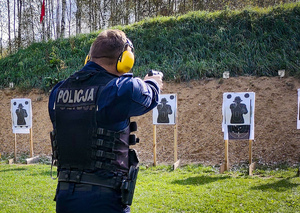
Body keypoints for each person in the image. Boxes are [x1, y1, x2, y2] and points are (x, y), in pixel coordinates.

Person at [48, 29, 163, 213]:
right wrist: (154, 82)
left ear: (89, 58)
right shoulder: (118, 90)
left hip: (65, 197)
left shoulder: (58, 92)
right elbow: (148, 96)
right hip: (104, 200)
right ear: (125, 60)